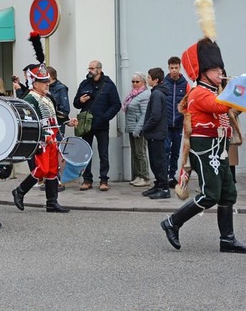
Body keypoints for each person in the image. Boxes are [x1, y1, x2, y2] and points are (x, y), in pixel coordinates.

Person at [161, 0, 246, 253]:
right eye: (215, 70)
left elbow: (229, 109)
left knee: (228, 193)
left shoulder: (215, 89)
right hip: (205, 147)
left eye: (220, 69)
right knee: (210, 194)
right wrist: (244, 89)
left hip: (220, 145)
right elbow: (221, 106)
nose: (220, 73)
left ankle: (227, 239)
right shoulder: (200, 92)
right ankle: (172, 222)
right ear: (203, 72)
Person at [11, 32, 77, 213]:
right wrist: (43, 135)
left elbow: (55, 115)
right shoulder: (30, 98)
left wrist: (68, 121)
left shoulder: (47, 96)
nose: (46, 84)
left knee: (52, 169)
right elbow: (28, 121)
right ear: (34, 82)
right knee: (42, 168)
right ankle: (19, 191)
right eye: (42, 81)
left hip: (54, 134)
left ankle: (51, 202)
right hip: (42, 137)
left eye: (46, 81)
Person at [72, 60, 121, 191]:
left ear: (99, 70)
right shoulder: (84, 84)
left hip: (102, 125)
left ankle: (104, 180)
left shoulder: (109, 85)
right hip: (86, 126)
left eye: (92, 68)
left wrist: (105, 117)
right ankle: (87, 180)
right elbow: (76, 103)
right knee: (86, 153)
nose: (89, 70)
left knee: (103, 153)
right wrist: (80, 101)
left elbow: (116, 105)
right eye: (89, 68)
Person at [140, 68, 170, 199]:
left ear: (156, 80)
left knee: (158, 162)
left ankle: (164, 188)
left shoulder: (157, 94)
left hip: (156, 134)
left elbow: (155, 115)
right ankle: (158, 185)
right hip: (155, 133)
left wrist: (145, 128)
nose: (147, 79)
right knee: (155, 161)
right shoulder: (157, 93)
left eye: (149, 77)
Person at [163, 56, 188, 187]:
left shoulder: (185, 84)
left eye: (176, 68)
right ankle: (165, 175)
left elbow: (188, 103)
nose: (173, 70)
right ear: (168, 68)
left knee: (176, 151)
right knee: (166, 149)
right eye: (171, 68)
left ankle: (172, 175)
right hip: (166, 123)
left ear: (180, 67)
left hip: (178, 124)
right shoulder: (164, 83)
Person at [123, 72, 150, 188]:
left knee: (141, 153)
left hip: (139, 130)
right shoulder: (133, 94)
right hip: (131, 127)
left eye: (137, 81)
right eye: (133, 81)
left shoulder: (145, 95)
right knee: (135, 153)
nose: (134, 84)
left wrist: (137, 129)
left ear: (143, 82)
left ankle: (145, 177)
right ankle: (138, 175)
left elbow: (145, 115)